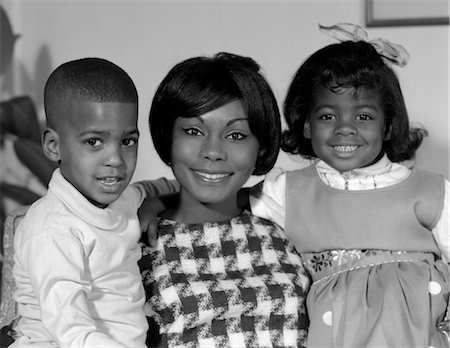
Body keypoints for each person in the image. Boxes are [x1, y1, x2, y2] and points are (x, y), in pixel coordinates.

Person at [250, 23, 450, 347]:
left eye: (364, 117)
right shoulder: (288, 192)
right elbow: (220, 200)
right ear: (305, 124)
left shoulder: (430, 191)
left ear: (388, 126)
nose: (346, 128)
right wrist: (157, 196)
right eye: (328, 116)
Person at [138, 52, 310, 348]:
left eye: (236, 135)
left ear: (261, 145)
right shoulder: (137, 242)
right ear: (168, 136)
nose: (213, 151)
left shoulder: (286, 226)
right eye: (193, 131)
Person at [11, 57, 149, 347]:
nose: (115, 160)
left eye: (128, 141)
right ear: (53, 146)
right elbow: (72, 333)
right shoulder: (52, 230)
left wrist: (159, 203)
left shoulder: (122, 200)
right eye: (93, 142)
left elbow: (153, 189)